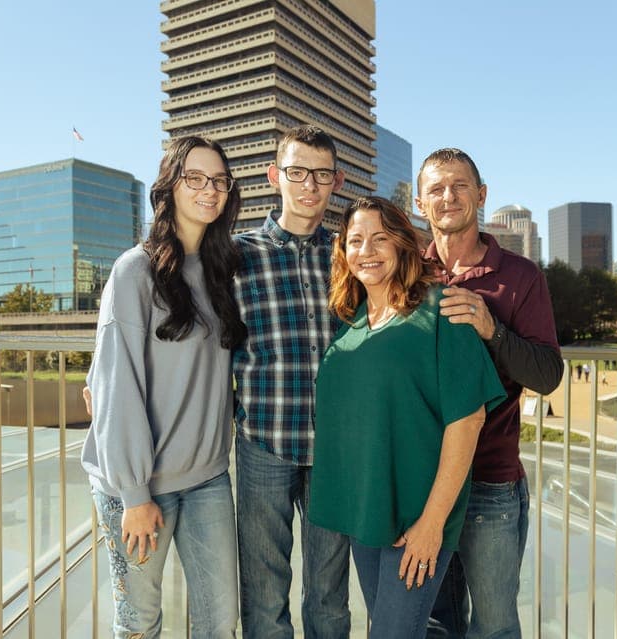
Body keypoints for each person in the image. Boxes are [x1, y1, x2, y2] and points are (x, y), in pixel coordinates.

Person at [309, 197, 506, 638]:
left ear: (402, 245)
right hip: (367, 513)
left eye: (380, 239)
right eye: (356, 241)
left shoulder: (441, 311)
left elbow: (468, 420)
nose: (367, 251)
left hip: (419, 517)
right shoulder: (351, 325)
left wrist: (431, 525)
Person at [80, 136, 246, 638]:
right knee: (139, 624)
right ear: (169, 187)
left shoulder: (223, 272)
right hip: (136, 487)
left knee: (220, 623)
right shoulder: (134, 270)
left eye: (218, 181)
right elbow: (116, 384)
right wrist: (134, 495)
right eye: (194, 178)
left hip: (207, 478)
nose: (209, 190)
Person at [416, 148, 564, 639]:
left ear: (481, 196)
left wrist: (491, 329)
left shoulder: (522, 276)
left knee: (494, 627)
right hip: (422, 485)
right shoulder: (408, 273)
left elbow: (547, 374)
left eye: (460, 186)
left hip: (491, 483)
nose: (448, 197)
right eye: (436, 189)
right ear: (420, 203)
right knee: (435, 625)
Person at [232, 124, 351, 638]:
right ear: (273, 176)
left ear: (336, 181)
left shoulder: (350, 255)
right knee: (263, 594)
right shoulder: (236, 255)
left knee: (329, 597)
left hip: (336, 449)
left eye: (322, 175)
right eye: (297, 172)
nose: (309, 185)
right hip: (265, 440)